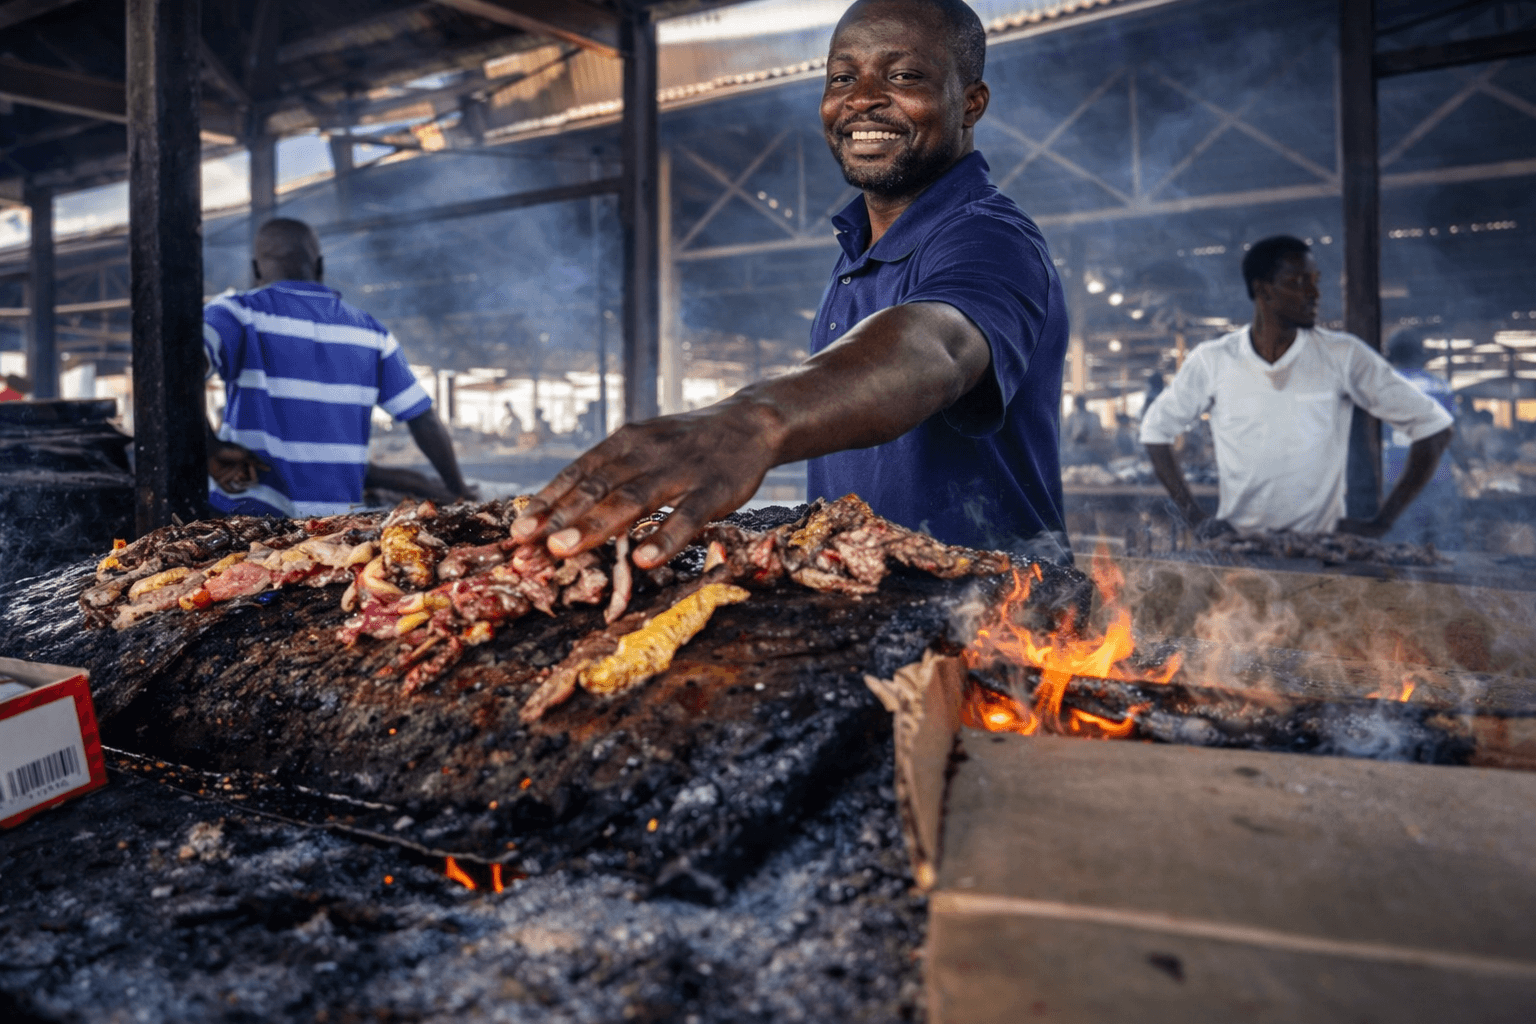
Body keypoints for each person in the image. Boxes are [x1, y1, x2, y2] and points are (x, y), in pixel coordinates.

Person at [511, 0, 1069, 566]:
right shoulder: (859, 246)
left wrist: (751, 422)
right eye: (842, 78)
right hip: (874, 604)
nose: (861, 99)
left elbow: (939, 346)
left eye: (902, 76)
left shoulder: (990, 236)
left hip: (996, 621)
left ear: (971, 103)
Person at [1140, 235, 1453, 537]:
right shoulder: (1214, 360)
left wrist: (1383, 522)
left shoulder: (1343, 355)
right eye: (1298, 283)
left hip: (1318, 549)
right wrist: (1194, 517)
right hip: (1241, 547)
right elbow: (1155, 430)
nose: (1314, 294)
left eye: (1314, 282)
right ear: (1262, 290)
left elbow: (1434, 427)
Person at [203, 218, 471, 517]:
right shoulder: (371, 332)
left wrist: (209, 447)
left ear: (255, 270)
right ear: (319, 266)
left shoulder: (236, 313)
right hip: (336, 526)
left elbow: (181, 363)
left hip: (248, 519)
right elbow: (424, 421)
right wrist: (457, 489)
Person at [1382, 329, 1461, 547]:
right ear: (1420, 356)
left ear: (1393, 357)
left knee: (1404, 545)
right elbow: (1454, 431)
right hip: (1439, 473)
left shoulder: (1384, 386)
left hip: (1398, 476)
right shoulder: (1441, 385)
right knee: (1443, 544)